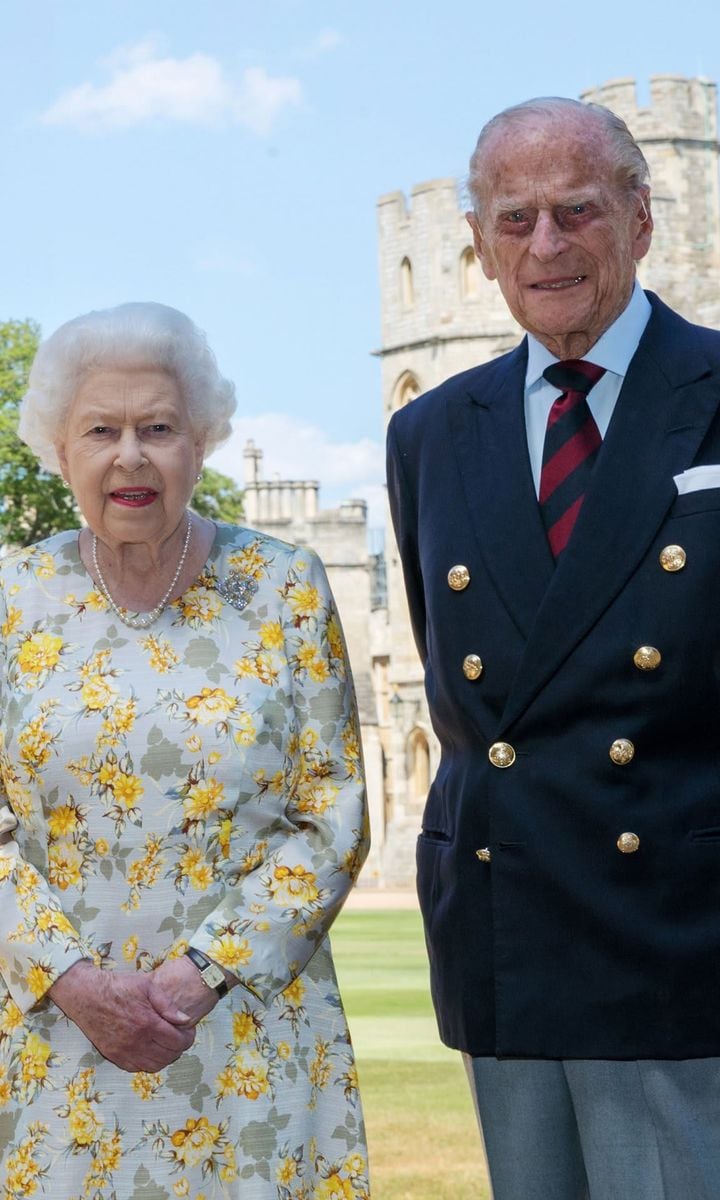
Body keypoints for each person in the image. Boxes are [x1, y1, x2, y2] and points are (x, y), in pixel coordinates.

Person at [386, 95, 720, 1200]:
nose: (547, 245)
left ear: (641, 218)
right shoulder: (430, 433)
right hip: (508, 932)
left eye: (576, 211)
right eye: (514, 218)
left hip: (681, 943)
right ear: (476, 247)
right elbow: (464, 692)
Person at [0, 302, 370, 1200]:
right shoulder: (12, 597)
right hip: (57, 1041)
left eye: (158, 427)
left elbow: (333, 816)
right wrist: (75, 982)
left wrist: (201, 974)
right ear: (60, 448)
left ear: (200, 442)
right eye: (101, 429)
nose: (130, 455)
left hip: (250, 1036)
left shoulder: (284, 586)